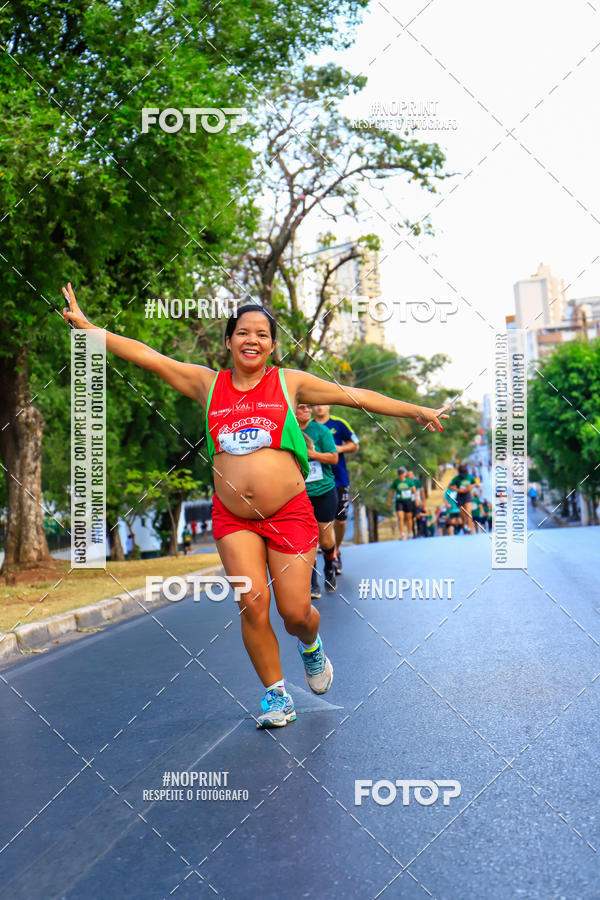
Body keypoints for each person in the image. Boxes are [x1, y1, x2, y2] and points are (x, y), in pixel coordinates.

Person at [62, 283, 447, 729]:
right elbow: (149, 356)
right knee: (252, 602)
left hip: (289, 513)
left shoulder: (290, 382)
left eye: (262, 334)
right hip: (233, 519)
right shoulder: (209, 384)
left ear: (272, 345)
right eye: (243, 332)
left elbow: (353, 397)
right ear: (228, 341)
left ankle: (311, 645)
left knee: (295, 613)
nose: (252, 340)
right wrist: (90, 329)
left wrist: (413, 409)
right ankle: (275, 696)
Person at [296, 404, 339, 598]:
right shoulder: (288, 431)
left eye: (308, 408)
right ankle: (312, 583)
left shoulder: (320, 431)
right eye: (301, 408)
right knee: (308, 540)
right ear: (293, 410)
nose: (306, 411)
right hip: (300, 493)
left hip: (324, 490)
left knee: (326, 539)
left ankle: (330, 565)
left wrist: (311, 455)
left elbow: (334, 458)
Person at [311, 405, 359, 574]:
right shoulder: (307, 426)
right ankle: (329, 553)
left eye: (322, 404)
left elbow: (355, 444)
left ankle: (336, 549)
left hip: (339, 478)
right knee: (324, 522)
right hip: (318, 480)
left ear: (328, 405)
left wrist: (338, 448)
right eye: (314, 405)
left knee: (341, 520)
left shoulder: (339, 424)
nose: (319, 407)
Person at [386, 467, 417, 540]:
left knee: (409, 518)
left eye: (402, 474)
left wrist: (416, 500)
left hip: (408, 501)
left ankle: (409, 533)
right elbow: (391, 492)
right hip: (399, 501)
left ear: (404, 474)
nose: (401, 475)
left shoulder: (409, 481)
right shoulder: (396, 482)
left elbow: (414, 491)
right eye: (399, 474)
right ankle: (402, 534)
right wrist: (389, 501)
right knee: (400, 517)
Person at [448, 464, 477, 535]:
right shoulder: (456, 478)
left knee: (468, 512)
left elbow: (476, 483)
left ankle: (470, 528)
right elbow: (449, 486)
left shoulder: (470, 477)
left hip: (468, 496)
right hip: (460, 497)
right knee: (463, 515)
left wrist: (471, 487)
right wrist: (458, 490)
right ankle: (465, 528)